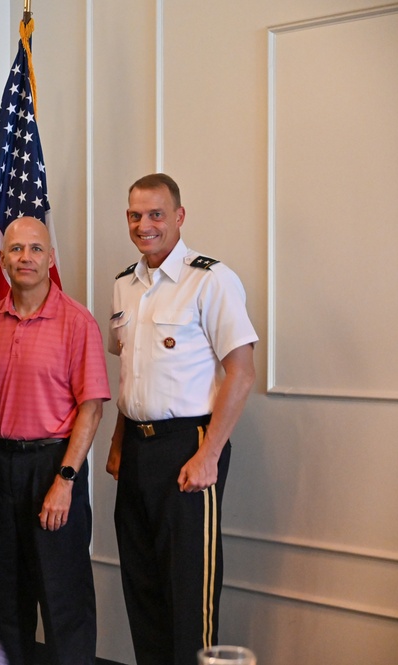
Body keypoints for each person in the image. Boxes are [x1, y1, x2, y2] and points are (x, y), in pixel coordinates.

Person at [106, 173, 258, 665]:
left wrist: (209, 453)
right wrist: (116, 445)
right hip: (136, 448)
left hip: (189, 445)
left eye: (155, 214)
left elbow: (242, 372)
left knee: (189, 591)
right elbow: (130, 374)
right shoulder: (125, 286)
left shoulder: (211, 279)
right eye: (135, 215)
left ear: (178, 217)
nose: (144, 225)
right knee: (143, 585)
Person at [0, 217, 110, 665]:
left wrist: (66, 478)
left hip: (54, 466)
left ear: (51, 258)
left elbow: (92, 407)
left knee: (63, 596)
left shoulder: (77, 321)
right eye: (16, 249)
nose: (26, 258)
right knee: (7, 595)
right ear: (2, 258)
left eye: (36, 249)